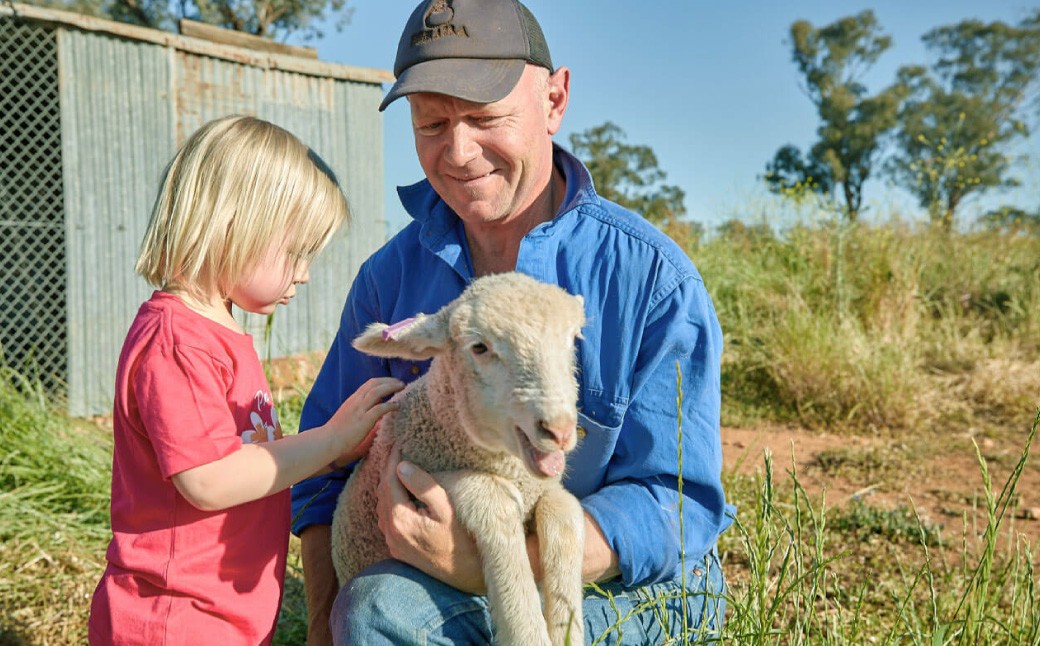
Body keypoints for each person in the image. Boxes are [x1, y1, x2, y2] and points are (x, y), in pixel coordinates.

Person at [290, 0, 735, 643]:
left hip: (623, 580)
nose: (458, 151)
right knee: (376, 609)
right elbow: (325, 470)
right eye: (431, 123)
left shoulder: (650, 279)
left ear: (554, 101)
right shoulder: (388, 281)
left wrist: (498, 566)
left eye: (485, 117)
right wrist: (321, 629)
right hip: (430, 574)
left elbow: (680, 503)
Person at [87, 115, 404, 645]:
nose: (304, 272)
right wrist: (329, 441)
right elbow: (209, 480)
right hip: (174, 618)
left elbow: (245, 455)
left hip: (217, 615)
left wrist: (333, 453)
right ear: (235, 224)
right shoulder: (179, 341)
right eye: (297, 251)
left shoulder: (217, 332)